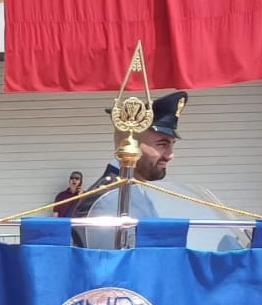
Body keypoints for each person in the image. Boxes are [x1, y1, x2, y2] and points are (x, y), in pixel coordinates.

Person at [78, 90, 188, 247]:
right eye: (162, 144)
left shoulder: (134, 188)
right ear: (129, 144)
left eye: (171, 145)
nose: (170, 155)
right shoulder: (105, 200)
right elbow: (106, 266)